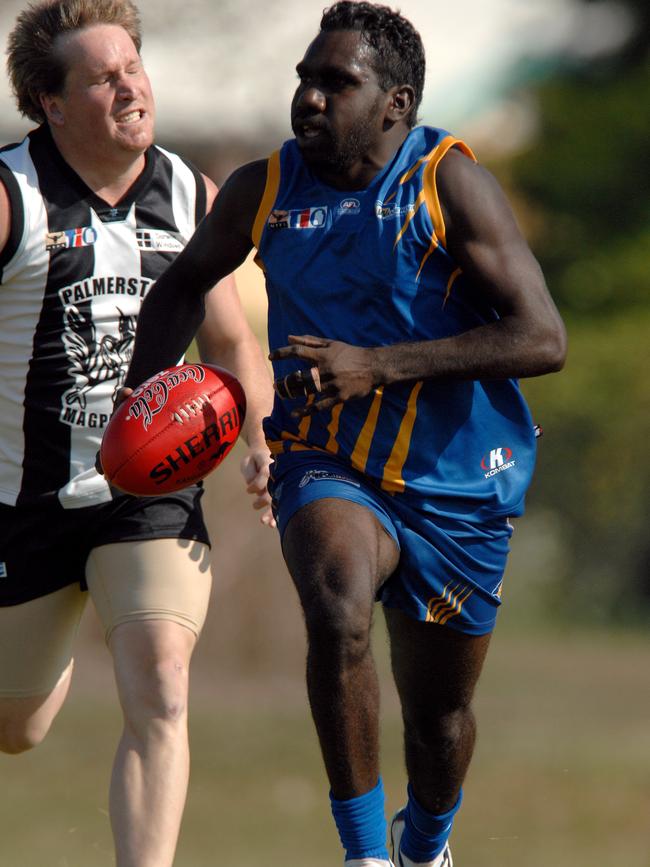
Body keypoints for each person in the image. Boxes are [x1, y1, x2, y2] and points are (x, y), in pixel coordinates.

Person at [120, 2, 568, 865]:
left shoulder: (448, 182)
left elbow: (542, 337)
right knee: (337, 609)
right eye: (305, 78)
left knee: (439, 720)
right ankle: (364, 856)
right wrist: (141, 395)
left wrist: (381, 365)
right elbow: (181, 286)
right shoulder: (267, 188)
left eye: (338, 82)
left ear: (396, 102)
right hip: (326, 457)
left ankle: (424, 842)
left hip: (460, 478)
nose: (311, 98)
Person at [0, 2, 274, 866]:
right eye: (102, 77)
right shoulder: (12, 196)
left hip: (147, 495)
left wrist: (265, 438)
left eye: (134, 67)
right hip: (22, 498)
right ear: (51, 103)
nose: (130, 87)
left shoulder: (191, 191)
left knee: (160, 683)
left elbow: (231, 341)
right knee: (17, 726)